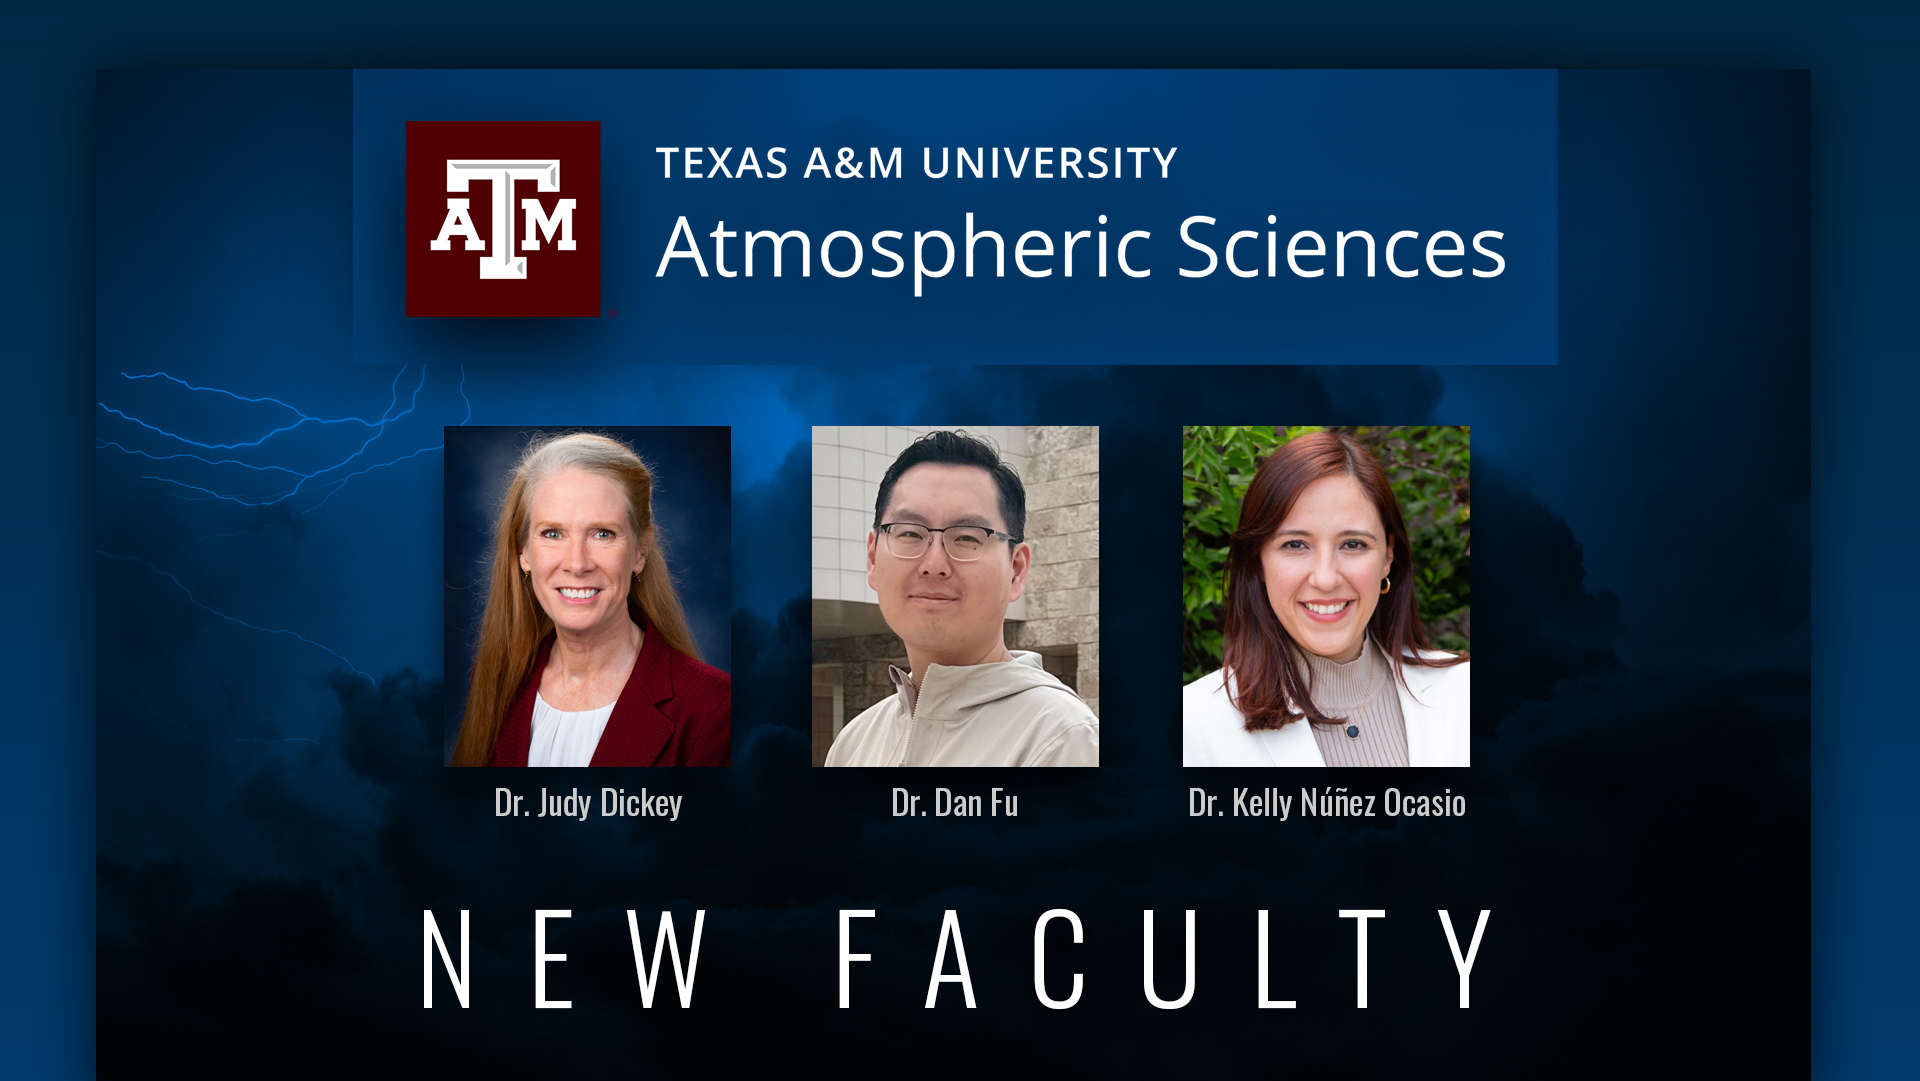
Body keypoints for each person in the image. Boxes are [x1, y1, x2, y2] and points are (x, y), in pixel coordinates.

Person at [1182, 430, 1468, 767]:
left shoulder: (1465, 693)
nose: (1326, 578)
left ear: (1388, 556)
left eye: (1353, 544)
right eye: (1295, 545)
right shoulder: (1193, 726)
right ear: (1258, 560)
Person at [450, 432, 730, 767]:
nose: (577, 563)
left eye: (603, 533)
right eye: (553, 533)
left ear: (640, 550)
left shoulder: (715, 708)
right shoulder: (496, 676)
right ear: (522, 551)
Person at [824, 430, 1099, 767]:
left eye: (967, 537)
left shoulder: (1058, 739)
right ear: (872, 559)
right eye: (910, 533)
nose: (934, 565)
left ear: (1016, 570)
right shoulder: (854, 744)